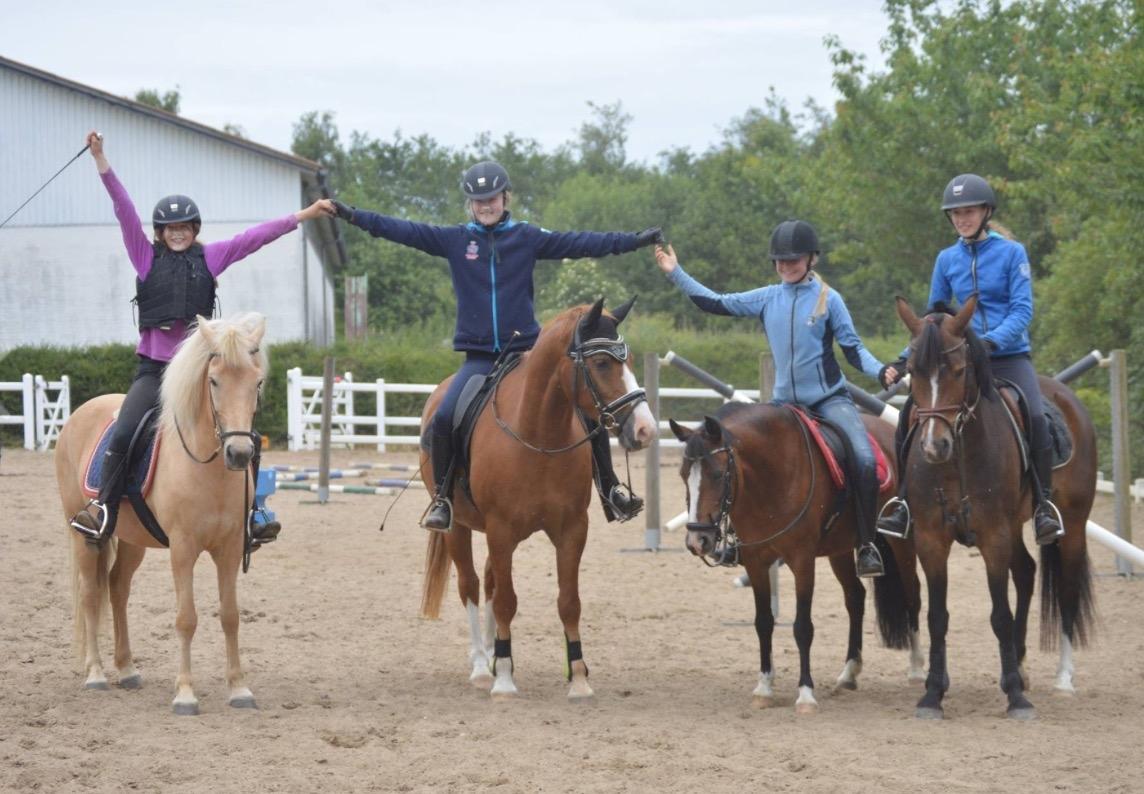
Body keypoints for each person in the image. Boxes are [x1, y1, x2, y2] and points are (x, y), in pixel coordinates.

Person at [320, 161, 662, 532]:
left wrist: (633, 240)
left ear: (505, 197)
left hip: (526, 356)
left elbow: (582, 242)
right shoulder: (455, 240)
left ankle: (610, 489)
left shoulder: (527, 237)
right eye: (478, 200)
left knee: (586, 413)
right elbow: (401, 230)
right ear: (470, 203)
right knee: (445, 418)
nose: (486, 205)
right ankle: (443, 500)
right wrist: (352, 216)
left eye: (492, 198)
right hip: (479, 358)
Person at [68, 131, 328, 546]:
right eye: (170, 228)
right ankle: (105, 508)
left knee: (242, 431)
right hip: (154, 372)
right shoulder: (143, 254)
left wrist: (304, 215)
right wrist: (101, 160)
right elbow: (123, 209)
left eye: (185, 227)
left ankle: (252, 513)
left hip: (200, 372)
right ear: (160, 232)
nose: (178, 233)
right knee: (124, 431)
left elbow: (254, 237)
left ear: (194, 230)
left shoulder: (211, 257)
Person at [654, 220, 887, 578]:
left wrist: (881, 371)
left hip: (828, 401)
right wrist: (676, 273)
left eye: (793, 260)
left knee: (864, 459)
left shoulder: (830, 300)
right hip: (783, 406)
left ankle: (867, 544)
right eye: (779, 261)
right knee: (737, 463)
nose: (785, 266)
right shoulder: (766, 298)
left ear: (811, 259)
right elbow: (714, 303)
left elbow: (854, 351)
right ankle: (740, 540)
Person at [877, 173, 1063, 544]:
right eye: (956, 213)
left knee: (1038, 418)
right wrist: (901, 361)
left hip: (1007, 355)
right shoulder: (946, 259)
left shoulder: (1012, 253)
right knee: (910, 415)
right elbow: (932, 320)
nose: (962, 218)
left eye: (969, 211)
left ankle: (1043, 504)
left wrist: (991, 342)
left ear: (985, 211)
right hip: (955, 359)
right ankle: (903, 503)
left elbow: (1022, 310)